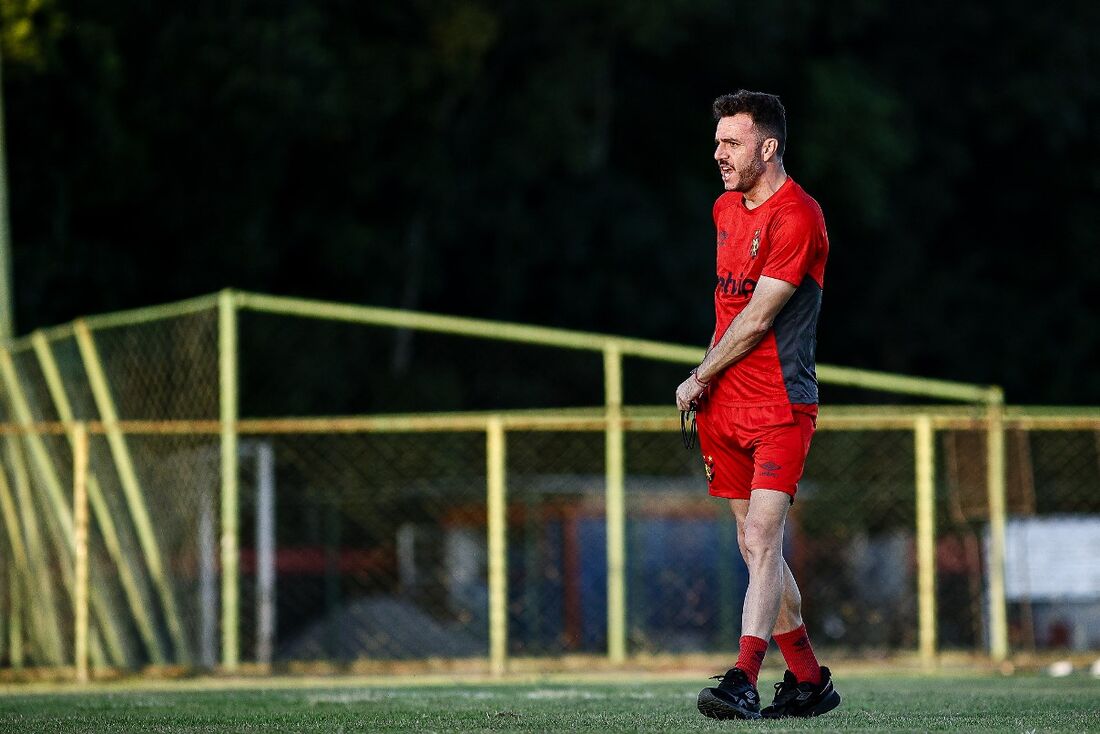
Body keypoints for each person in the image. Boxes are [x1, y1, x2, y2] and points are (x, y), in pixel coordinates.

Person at [675, 90, 841, 720]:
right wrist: (708, 383)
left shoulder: (798, 215)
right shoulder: (724, 210)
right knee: (754, 548)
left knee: (765, 539)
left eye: (732, 142)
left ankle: (742, 676)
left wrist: (696, 375)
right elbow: (724, 313)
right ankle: (808, 679)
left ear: (768, 147)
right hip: (725, 407)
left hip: (780, 406)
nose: (719, 153)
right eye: (718, 141)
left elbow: (756, 319)